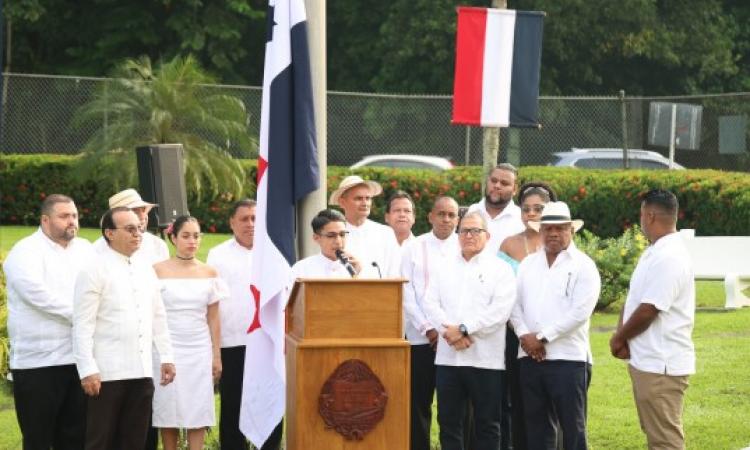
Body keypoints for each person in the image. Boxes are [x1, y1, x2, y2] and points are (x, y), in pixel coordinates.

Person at [73, 207, 176, 450]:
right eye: (129, 229)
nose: (137, 234)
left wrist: (167, 357)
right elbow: (82, 324)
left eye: (139, 228)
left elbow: (158, 316)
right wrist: (87, 369)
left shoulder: (145, 269)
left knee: (134, 441)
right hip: (106, 374)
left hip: (141, 371)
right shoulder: (94, 269)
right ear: (109, 233)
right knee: (100, 441)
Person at [3, 194, 94, 450]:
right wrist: (84, 315)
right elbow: (37, 296)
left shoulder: (86, 249)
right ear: (45, 219)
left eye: (74, 215)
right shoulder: (25, 252)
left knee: (75, 437)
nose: (72, 221)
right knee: (38, 438)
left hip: (78, 359)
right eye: (64, 216)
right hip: (38, 363)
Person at [510, 201, 601, 450]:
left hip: (568, 359)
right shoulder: (528, 264)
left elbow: (580, 312)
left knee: (573, 429)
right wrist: (524, 336)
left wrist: (542, 338)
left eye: (560, 228)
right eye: (548, 228)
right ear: (540, 230)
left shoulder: (584, 266)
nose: (553, 233)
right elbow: (514, 305)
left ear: (571, 230)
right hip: (529, 358)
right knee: (537, 430)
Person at [423, 211, 517, 450]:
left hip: (485, 361)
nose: (469, 236)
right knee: (449, 424)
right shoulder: (443, 267)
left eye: (476, 231)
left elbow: (500, 312)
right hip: (448, 360)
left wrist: (464, 330)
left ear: (487, 235)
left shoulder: (501, 269)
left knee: (487, 425)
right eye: (464, 231)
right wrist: (450, 334)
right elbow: (430, 304)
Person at [609, 189, 695, 450]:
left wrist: (619, 337)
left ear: (649, 215)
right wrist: (621, 334)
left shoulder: (670, 256)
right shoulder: (655, 251)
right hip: (648, 361)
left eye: (641, 215)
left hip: (662, 365)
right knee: (655, 434)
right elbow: (635, 298)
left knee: (665, 441)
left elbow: (649, 309)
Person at [206, 199, 283, 450]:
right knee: (233, 406)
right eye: (244, 219)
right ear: (231, 222)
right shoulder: (217, 255)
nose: (250, 224)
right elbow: (212, 303)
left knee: (269, 403)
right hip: (233, 342)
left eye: (254, 218)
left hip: (268, 343)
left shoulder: (274, 253)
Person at [152, 215, 228, 450]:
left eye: (196, 236)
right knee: (168, 406)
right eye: (185, 236)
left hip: (198, 348)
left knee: (198, 407)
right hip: (167, 347)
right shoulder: (156, 271)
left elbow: (213, 317)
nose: (192, 241)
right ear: (173, 238)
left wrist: (216, 355)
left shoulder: (209, 273)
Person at [497, 181, 556, 450]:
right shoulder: (509, 245)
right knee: (517, 399)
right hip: (515, 335)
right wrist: (523, 334)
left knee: (553, 403)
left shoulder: (560, 244)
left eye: (539, 209)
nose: (532, 214)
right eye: (527, 208)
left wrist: (543, 336)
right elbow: (502, 291)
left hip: (554, 337)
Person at [401, 196, 460, 450]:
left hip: (456, 339)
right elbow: (406, 291)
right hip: (419, 338)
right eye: (441, 214)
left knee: (456, 406)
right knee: (418, 404)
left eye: (451, 215)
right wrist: (428, 328)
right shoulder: (413, 248)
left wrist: (448, 330)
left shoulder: (465, 245)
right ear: (430, 217)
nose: (446, 220)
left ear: (458, 219)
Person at [329, 175, 402, 278]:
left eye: (368, 198)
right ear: (342, 202)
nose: (365, 203)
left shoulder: (386, 233)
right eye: (358, 198)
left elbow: (395, 273)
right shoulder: (331, 234)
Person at [93, 188, 169, 264]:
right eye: (135, 211)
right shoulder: (97, 250)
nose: (143, 216)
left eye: (143, 209)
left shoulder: (158, 244)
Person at [467, 163, 525, 255]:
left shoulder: (521, 219)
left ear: (514, 190)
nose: (497, 186)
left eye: (504, 183)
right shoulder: (472, 211)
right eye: (493, 181)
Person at [290, 209, 363, 279]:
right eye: (331, 236)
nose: (338, 241)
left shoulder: (357, 267)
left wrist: (357, 274)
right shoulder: (301, 269)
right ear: (316, 238)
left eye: (342, 234)